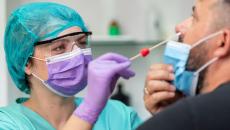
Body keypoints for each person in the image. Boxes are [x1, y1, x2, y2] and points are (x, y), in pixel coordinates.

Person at [0, 2, 142, 130]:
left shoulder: (120, 116)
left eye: (82, 42)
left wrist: (161, 116)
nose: (78, 54)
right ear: (27, 63)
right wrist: (88, 111)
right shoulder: (8, 124)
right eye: (59, 47)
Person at [138, 0, 230, 129]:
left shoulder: (188, 118)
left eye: (195, 18)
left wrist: (172, 120)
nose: (179, 27)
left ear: (222, 41)